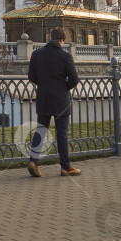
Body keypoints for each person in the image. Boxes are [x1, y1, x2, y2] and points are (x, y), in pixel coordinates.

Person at [27, 27, 81, 178]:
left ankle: (33, 162)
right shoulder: (65, 56)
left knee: (41, 130)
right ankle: (65, 167)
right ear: (62, 40)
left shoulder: (37, 54)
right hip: (61, 100)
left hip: (43, 97)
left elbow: (31, 76)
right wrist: (63, 87)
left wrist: (43, 84)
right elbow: (74, 80)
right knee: (61, 133)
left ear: (50, 38)